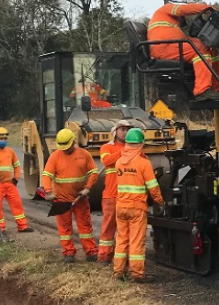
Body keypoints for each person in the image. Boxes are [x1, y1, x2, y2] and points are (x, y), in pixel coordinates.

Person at [41, 128, 99, 263]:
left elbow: (94, 172)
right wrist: (48, 190)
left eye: (67, 147)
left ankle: (91, 252)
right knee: (65, 228)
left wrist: (87, 188)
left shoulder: (84, 154)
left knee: (85, 227)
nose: (65, 150)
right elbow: (46, 175)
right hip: (62, 199)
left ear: (73, 142)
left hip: (80, 198)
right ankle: (68, 253)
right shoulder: (55, 156)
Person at [113, 128, 163, 282]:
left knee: (121, 239)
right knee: (136, 241)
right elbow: (153, 186)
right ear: (141, 144)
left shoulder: (119, 162)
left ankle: (119, 272)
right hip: (137, 208)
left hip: (120, 206)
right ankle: (137, 274)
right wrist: (160, 201)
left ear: (127, 144)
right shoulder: (143, 163)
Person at [148, 3, 219, 101]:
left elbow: (183, 40)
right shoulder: (165, 9)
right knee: (200, 49)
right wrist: (206, 7)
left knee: (210, 48)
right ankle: (202, 91)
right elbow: (182, 9)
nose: (182, 20)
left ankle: (218, 88)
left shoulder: (172, 27)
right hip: (163, 47)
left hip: (171, 45)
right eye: (182, 18)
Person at [0, 127, 33, 235]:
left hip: (9, 184)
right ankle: (0, 229)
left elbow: (17, 165)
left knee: (17, 204)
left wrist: (16, 178)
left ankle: (23, 226)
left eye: (5, 138)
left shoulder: (10, 152)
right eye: (1, 138)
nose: (3, 140)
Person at [97, 119, 134, 265]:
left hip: (127, 196)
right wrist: (125, 151)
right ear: (115, 131)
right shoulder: (107, 147)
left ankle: (124, 258)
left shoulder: (133, 148)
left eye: (127, 129)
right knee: (108, 227)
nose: (125, 132)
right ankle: (104, 257)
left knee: (126, 230)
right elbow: (107, 161)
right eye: (122, 129)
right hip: (111, 196)